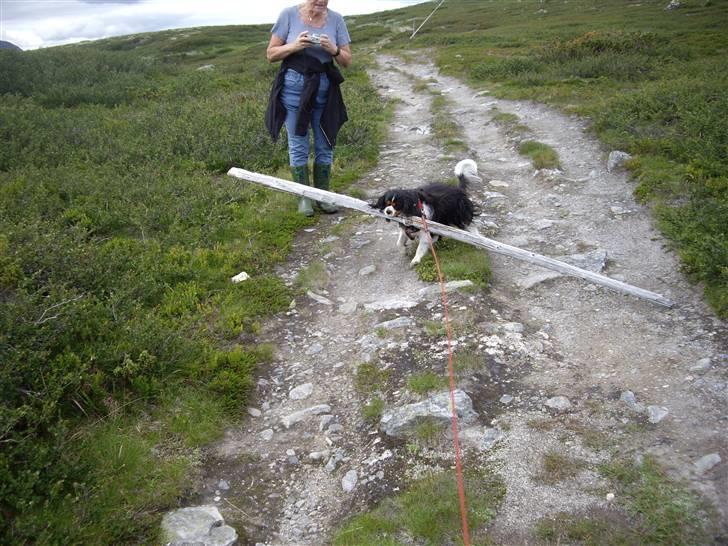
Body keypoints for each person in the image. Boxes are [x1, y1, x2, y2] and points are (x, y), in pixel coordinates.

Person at [265, 0, 352, 216]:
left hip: (325, 92)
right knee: (298, 144)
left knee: (325, 144)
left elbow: (347, 60)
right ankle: (303, 197)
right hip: (293, 92)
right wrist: (294, 46)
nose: (321, 1)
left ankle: (322, 196)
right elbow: (271, 54)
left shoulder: (337, 19)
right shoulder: (288, 15)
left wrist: (333, 50)